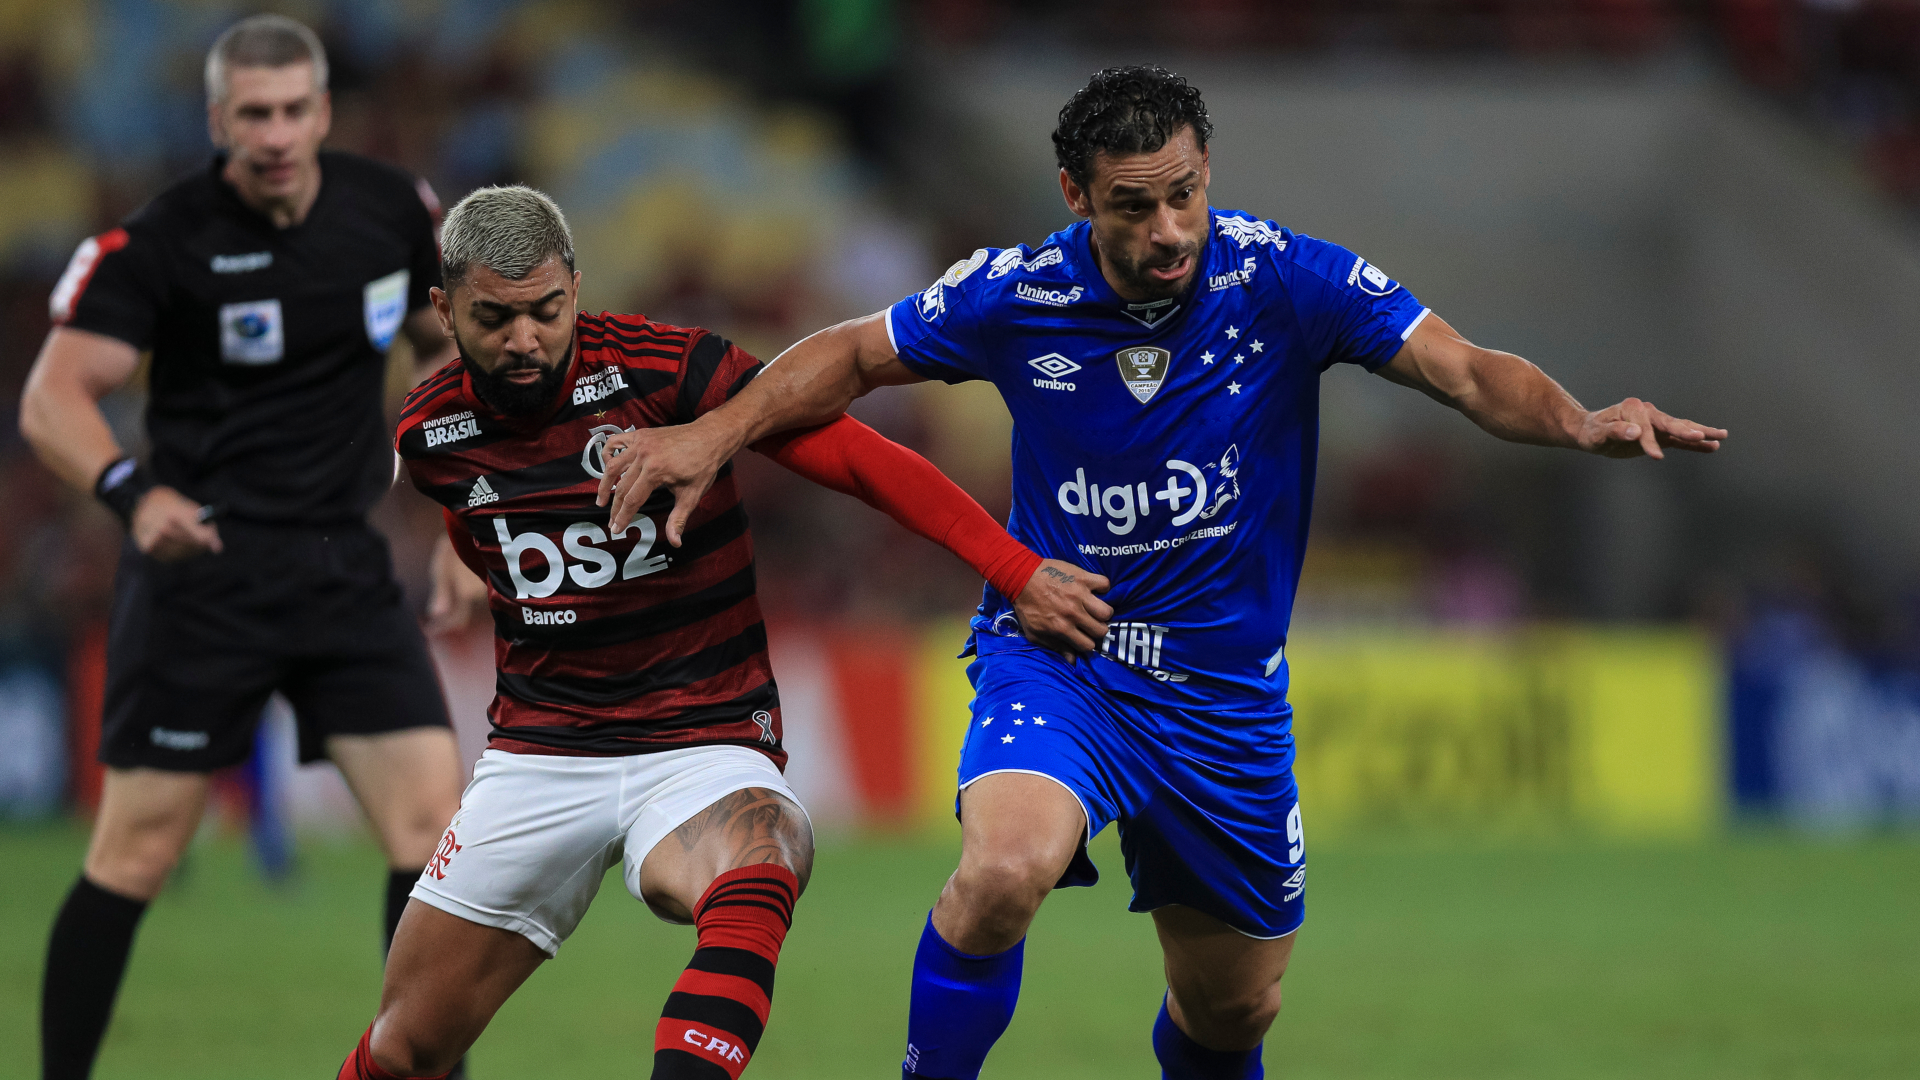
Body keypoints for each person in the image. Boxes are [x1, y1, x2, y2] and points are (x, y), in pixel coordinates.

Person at [596, 65, 1729, 1080]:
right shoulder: (1016, 293)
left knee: (1235, 1010)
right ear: (1075, 194)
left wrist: (1578, 422)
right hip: (1064, 662)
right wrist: (717, 433)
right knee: (1004, 873)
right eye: (1135, 203)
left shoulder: (1286, 280)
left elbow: (1467, 372)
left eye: (1184, 191)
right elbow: (848, 354)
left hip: (1226, 701)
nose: (1170, 226)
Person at [333, 184, 1097, 1080]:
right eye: (494, 318)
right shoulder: (431, 433)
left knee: (765, 856)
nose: (526, 339)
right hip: (539, 753)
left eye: (546, 310)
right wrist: (466, 567)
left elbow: (856, 457)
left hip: (702, 739)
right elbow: (482, 526)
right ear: (443, 309)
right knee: (408, 1045)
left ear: (575, 286)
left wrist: (1013, 568)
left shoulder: (668, 374)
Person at [19, 15, 478, 1080]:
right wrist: (132, 494)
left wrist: (465, 516)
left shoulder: (390, 211)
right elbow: (53, 398)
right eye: (253, 114)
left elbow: (439, 350)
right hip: (202, 577)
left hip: (344, 565)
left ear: (323, 112)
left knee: (435, 839)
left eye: (293, 110)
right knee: (134, 854)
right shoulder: (161, 241)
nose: (275, 134)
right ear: (219, 120)